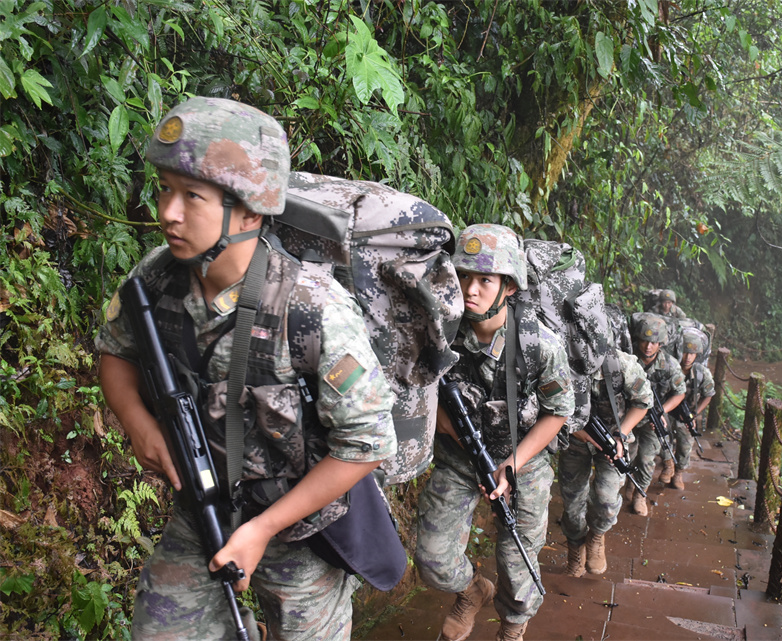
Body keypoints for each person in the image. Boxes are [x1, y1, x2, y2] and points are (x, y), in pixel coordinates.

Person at [96, 97, 397, 641]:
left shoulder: (311, 309)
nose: (168, 211)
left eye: (192, 196)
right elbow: (115, 351)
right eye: (164, 188)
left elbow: (369, 442)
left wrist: (262, 530)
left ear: (251, 212)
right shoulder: (157, 280)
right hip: (201, 505)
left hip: (303, 528)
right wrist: (140, 425)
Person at [414, 224, 574, 641]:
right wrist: (439, 421)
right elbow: (410, 388)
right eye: (463, 276)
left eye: (484, 279)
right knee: (432, 558)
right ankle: (472, 592)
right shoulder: (440, 331)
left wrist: (512, 464)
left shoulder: (539, 344)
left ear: (509, 288)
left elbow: (558, 413)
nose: (470, 289)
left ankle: (512, 628)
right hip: (460, 454)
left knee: (517, 565)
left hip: (523, 458)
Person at [558, 340, 652, 576]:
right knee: (571, 506)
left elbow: (643, 402)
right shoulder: (560, 361)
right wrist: (584, 435)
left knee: (607, 501)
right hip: (575, 440)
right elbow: (553, 410)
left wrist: (622, 434)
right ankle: (575, 547)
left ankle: (596, 536)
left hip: (614, 442)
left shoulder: (622, 365)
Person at [624, 315, 686, 516]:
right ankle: (629, 485)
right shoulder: (627, 358)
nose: (648, 346)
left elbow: (679, 393)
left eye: (654, 342)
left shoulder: (669, 365)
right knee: (628, 455)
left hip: (653, 419)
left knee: (646, 458)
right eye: (644, 340)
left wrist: (661, 411)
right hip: (628, 415)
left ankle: (640, 494)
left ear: (661, 343)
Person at [660, 329, 716, 490]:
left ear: (697, 355)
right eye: (685, 352)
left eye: (692, 354)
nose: (688, 357)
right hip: (668, 411)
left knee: (685, 445)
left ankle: (678, 472)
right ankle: (668, 463)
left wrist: (694, 414)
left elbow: (709, 394)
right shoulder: (670, 367)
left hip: (686, 414)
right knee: (661, 438)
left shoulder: (700, 373)